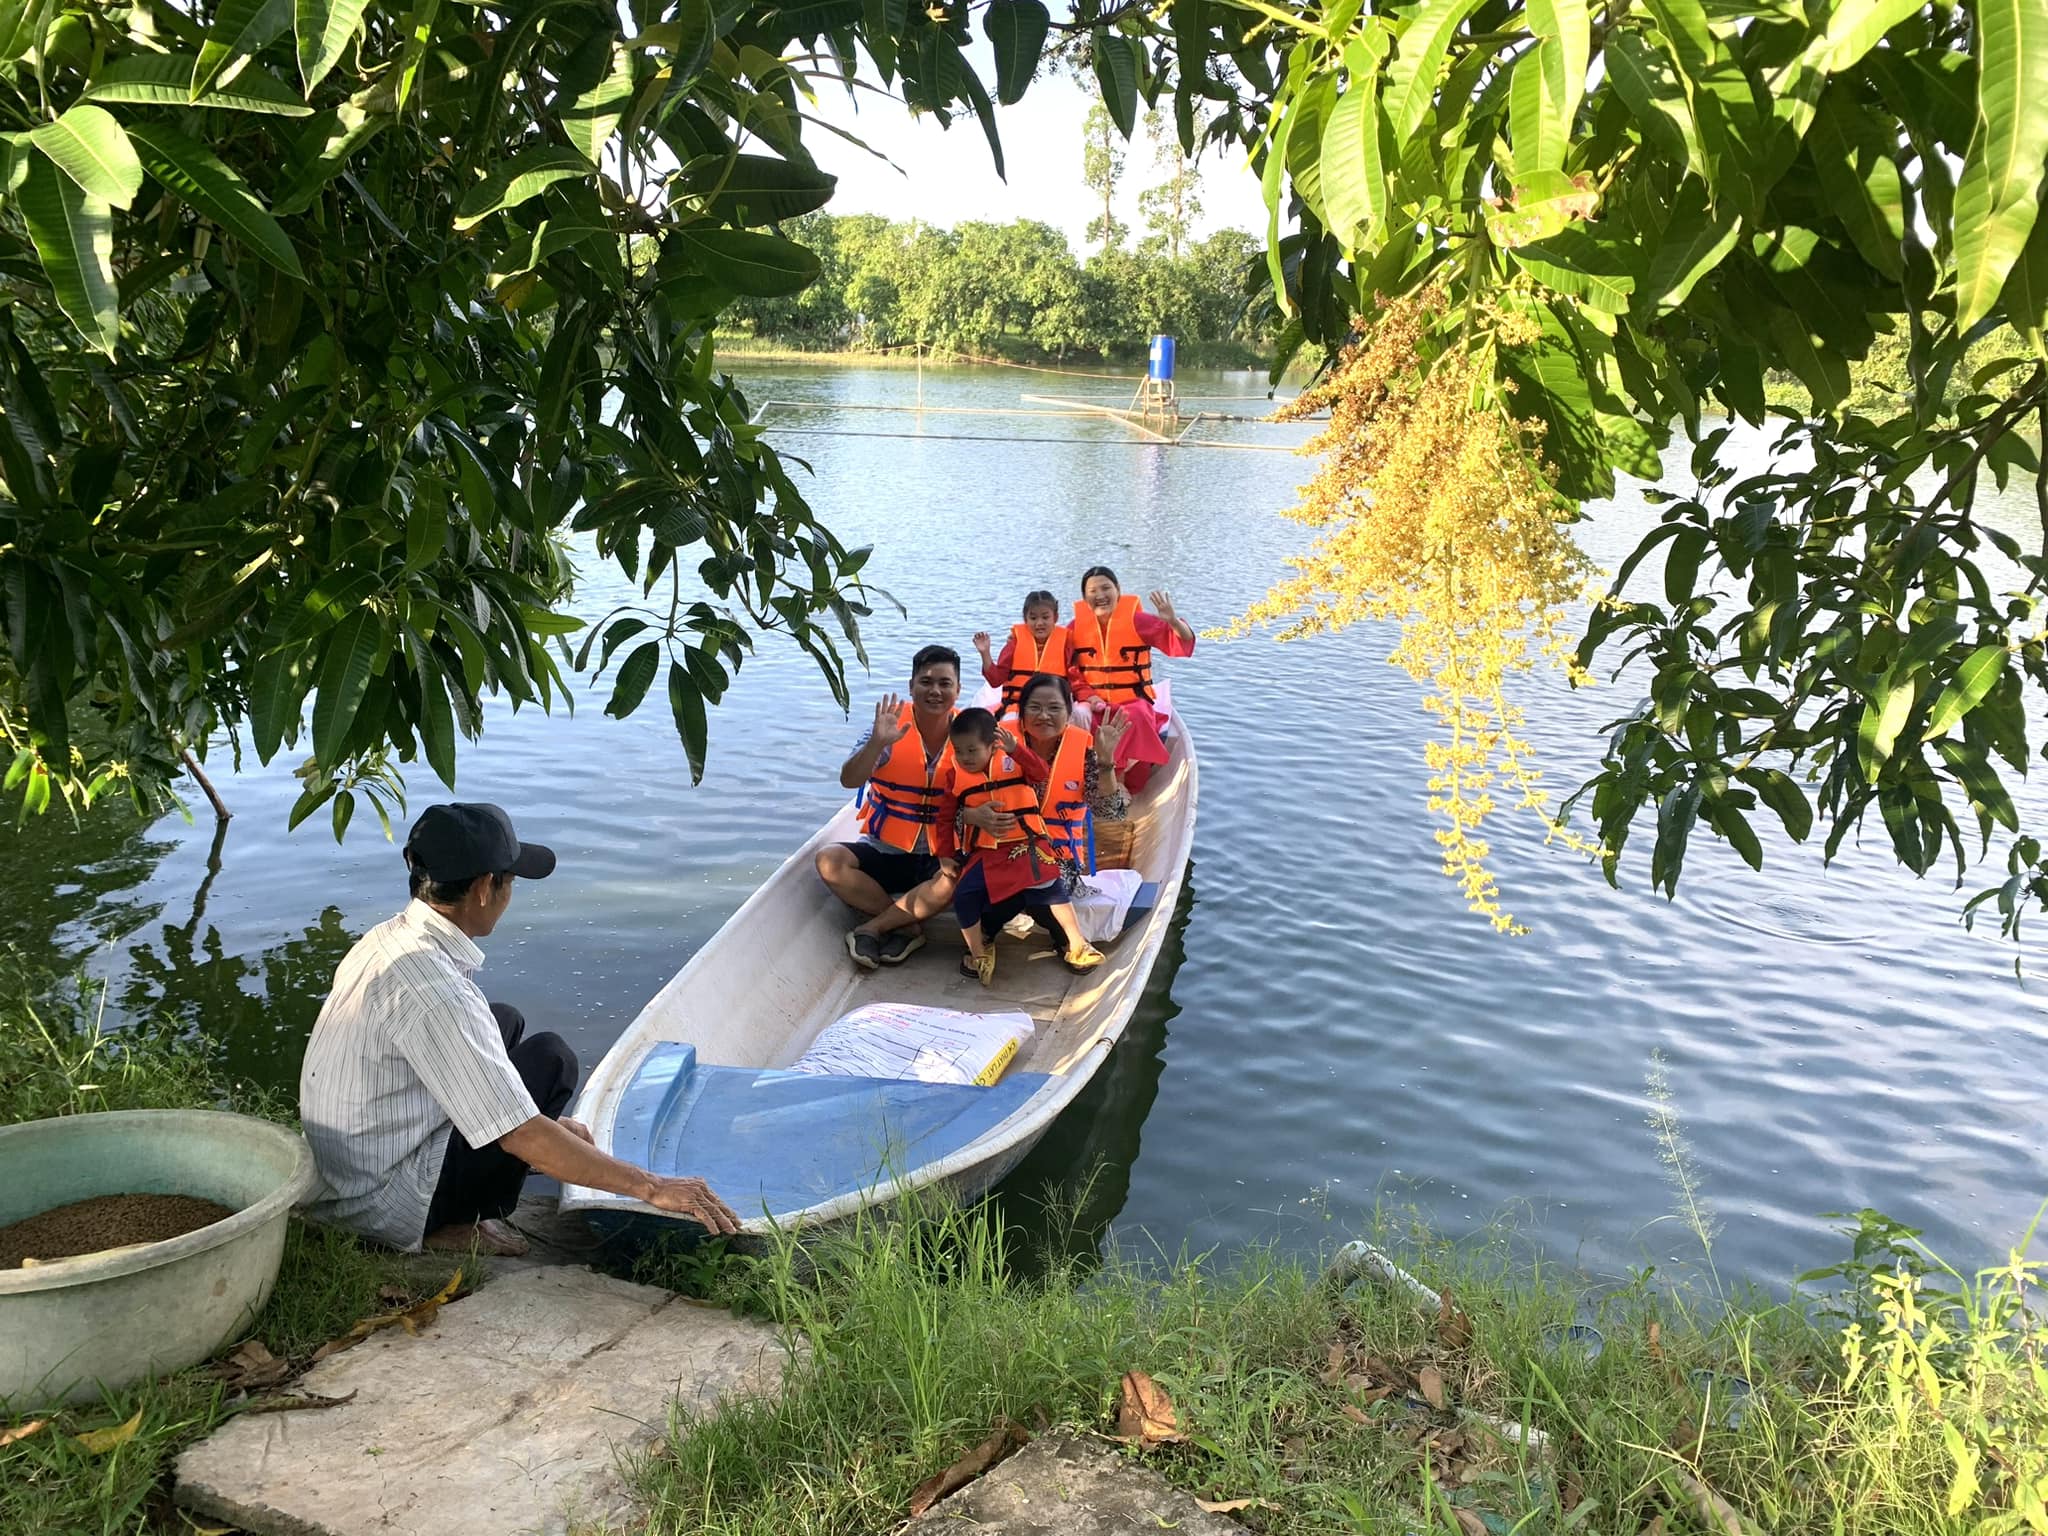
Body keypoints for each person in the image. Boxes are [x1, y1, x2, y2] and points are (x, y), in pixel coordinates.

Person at [299, 803, 741, 1257]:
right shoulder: (438, 992)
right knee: (551, 1060)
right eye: (509, 882)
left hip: (346, 1171)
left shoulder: (389, 939)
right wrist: (651, 1187)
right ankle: (446, 1223)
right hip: (379, 1202)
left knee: (503, 1019)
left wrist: (544, 1123)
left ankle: (464, 1183)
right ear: (486, 888)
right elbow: (520, 1134)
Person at [930, 708, 1104, 985]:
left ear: (992, 745)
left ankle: (1077, 944)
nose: (965, 758)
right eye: (959, 751)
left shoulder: (1015, 762)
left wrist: (1016, 751)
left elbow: (1041, 772)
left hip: (1028, 845)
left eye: (972, 750)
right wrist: (944, 856)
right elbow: (945, 818)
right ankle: (978, 952)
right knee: (964, 894)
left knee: (1052, 888)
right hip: (987, 853)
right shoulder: (955, 776)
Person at [815, 644, 962, 970]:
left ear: (958, 689)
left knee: (956, 879)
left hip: (940, 857)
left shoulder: (969, 733)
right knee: (829, 861)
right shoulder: (887, 727)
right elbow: (849, 780)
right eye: (926, 682)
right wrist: (877, 743)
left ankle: (874, 927)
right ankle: (908, 925)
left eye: (944, 683)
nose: (935, 691)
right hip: (886, 851)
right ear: (911, 687)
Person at [1070, 566, 1196, 792]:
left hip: (1132, 702)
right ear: (1084, 597)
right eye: (1093, 591)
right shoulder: (1075, 628)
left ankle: (1117, 784)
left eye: (1106, 588)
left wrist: (1174, 621)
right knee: (1075, 718)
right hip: (1093, 702)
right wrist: (1088, 697)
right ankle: (1079, 783)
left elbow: (1181, 644)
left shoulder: (1138, 621)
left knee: (1131, 717)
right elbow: (1065, 666)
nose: (1100, 595)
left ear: (1118, 590)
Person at [1005, 671, 1132, 878]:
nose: (1044, 716)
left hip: (1057, 860)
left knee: (1039, 885)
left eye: (1054, 708)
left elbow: (1109, 813)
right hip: (1003, 852)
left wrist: (1106, 763)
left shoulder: (1082, 752)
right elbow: (964, 799)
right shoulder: (998, 743)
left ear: (1069, 712)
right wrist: (973, 815)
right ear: (1021, 711)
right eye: (1035, 707)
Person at [973, 590, 1075, 717]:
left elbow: (1075, 678)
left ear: (1055, 617)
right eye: (1033, 618)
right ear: (1025, 619)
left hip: (1054, 706)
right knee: (1009, 719)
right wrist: (985, 653)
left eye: (1045, 617)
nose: (1039, 623)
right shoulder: (1014, 645)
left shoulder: (1067, 644)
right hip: (1018, 706)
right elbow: (996, 680)